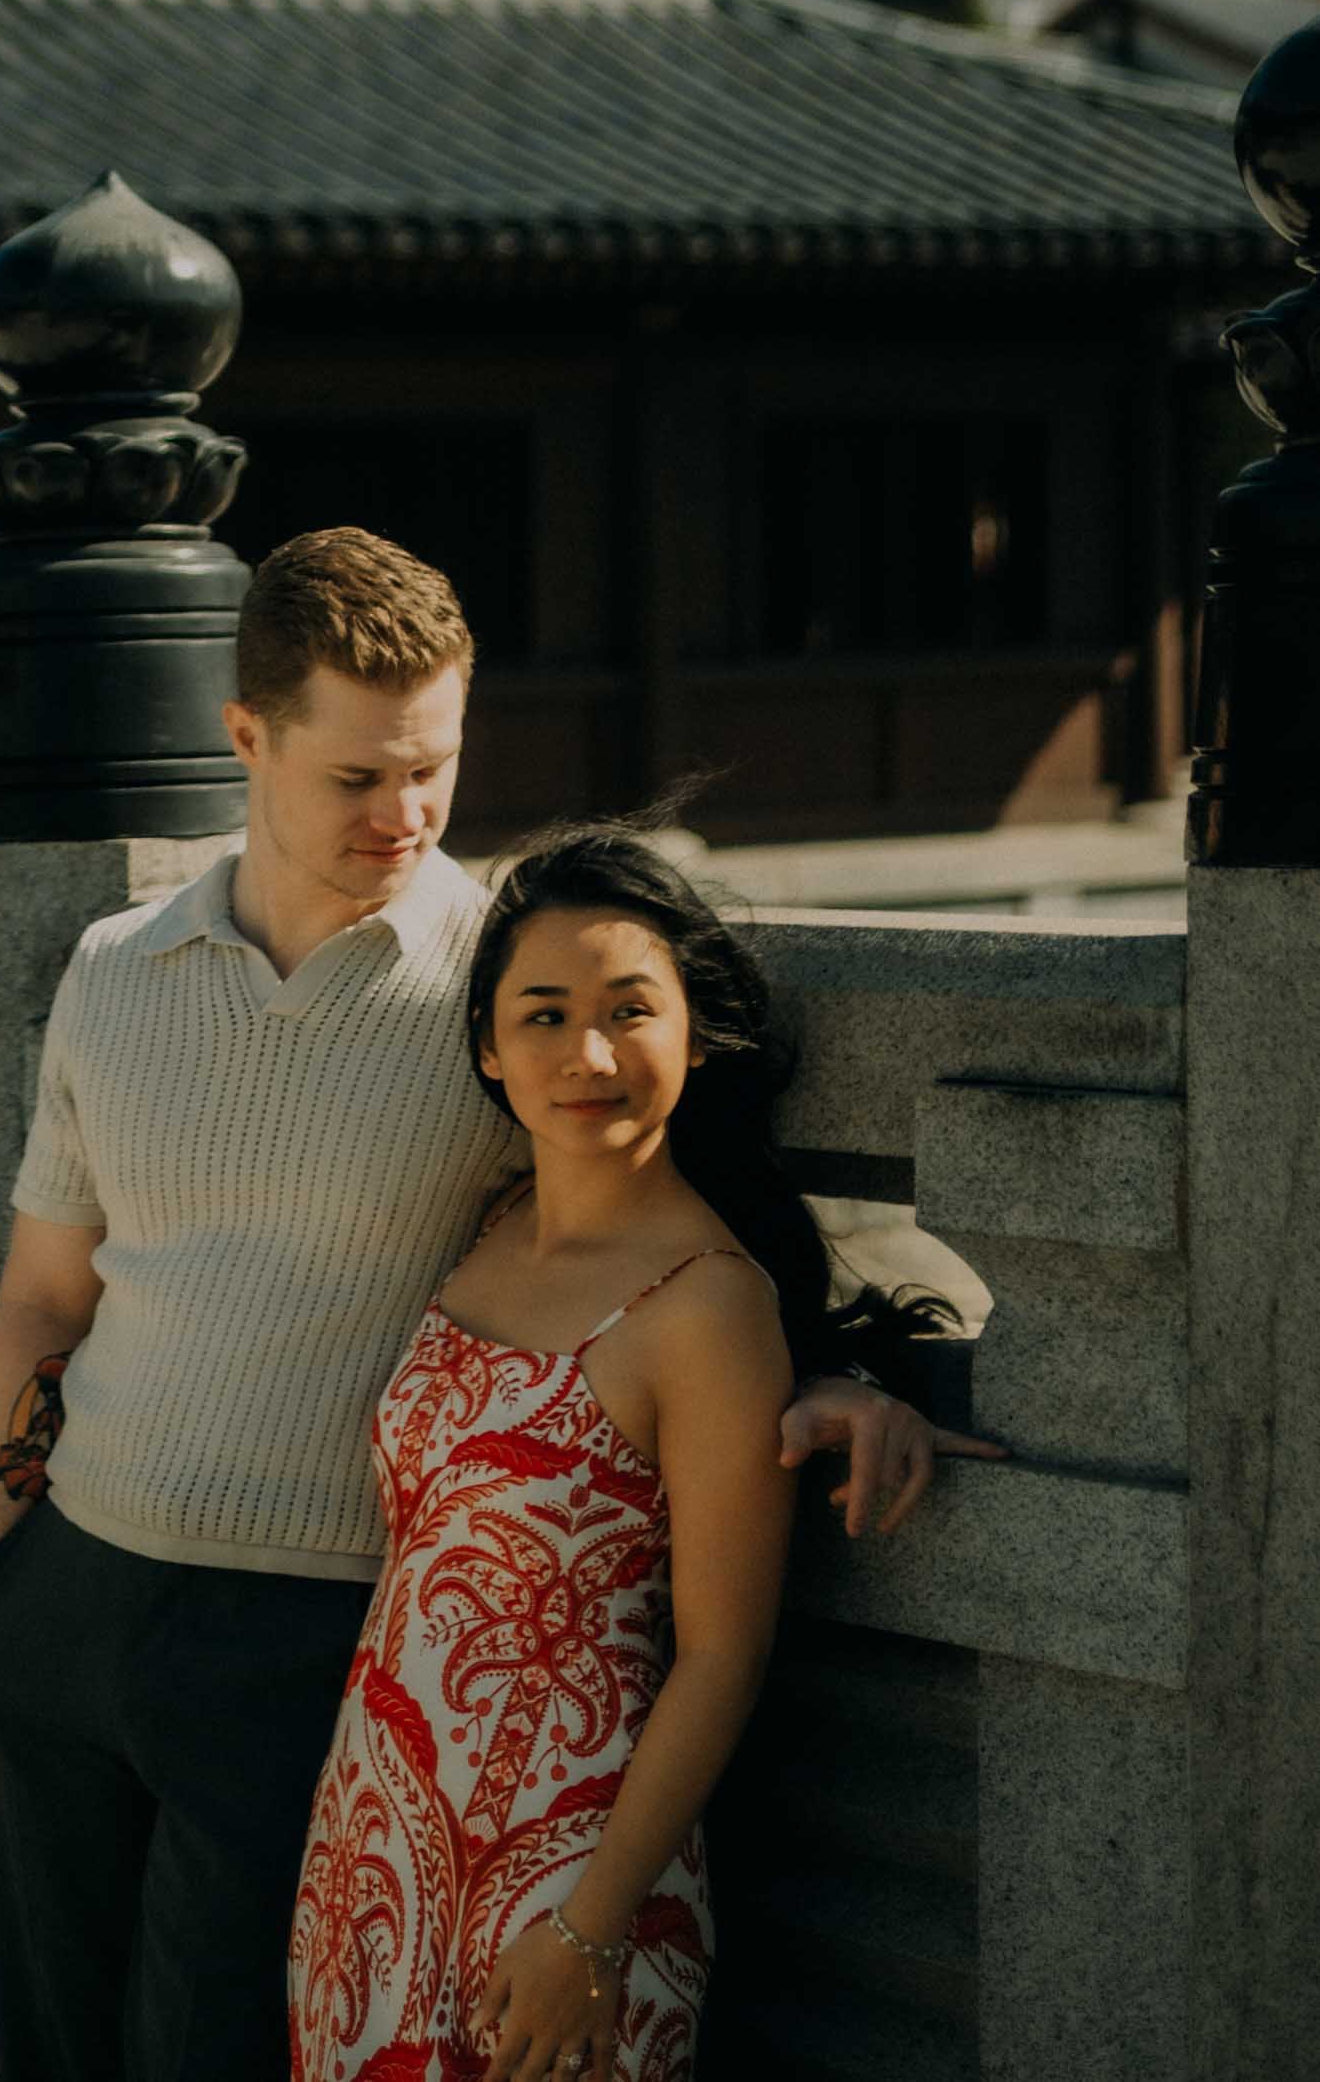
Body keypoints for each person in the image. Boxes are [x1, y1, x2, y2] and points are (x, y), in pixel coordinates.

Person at [0, 532, 976, 2082]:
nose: (407, 814)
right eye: (360, 777)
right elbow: (43, 1294)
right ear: (247, 737)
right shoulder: (115, 966)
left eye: (433, 768)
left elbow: (652, 1183)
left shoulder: (493, 998)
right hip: (67, 1592)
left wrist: (831, 1365)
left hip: (308, 1633)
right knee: (45, 2044)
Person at [290, 820, 868, 2082]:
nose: (588, 1054)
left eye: (629, 1010)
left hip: (567, 1872)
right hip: (375, 1837)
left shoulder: (710, 1305)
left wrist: (588, 1929)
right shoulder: (491, 1224)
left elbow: (722, 1654)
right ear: (489, 1048)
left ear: (697, 1034)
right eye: (543, 1015)